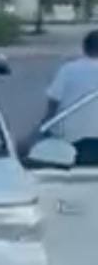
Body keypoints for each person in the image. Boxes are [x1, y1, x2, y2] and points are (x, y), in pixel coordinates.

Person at [41, 29, 98, 166]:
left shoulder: (68, 69)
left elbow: (53, 102)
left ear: (84, 48)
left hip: (71, 139)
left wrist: (44, 127)